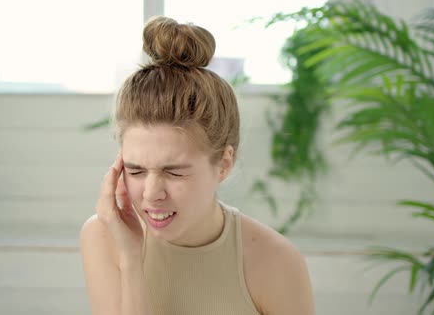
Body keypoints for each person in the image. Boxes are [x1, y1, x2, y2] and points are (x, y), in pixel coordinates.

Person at [79, 16, 315, 315]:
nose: (152, 194)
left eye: (174, 171)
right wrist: (130, 259)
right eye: (136, 170)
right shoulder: (104, 237)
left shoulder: (275, 261)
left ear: (223, 164)